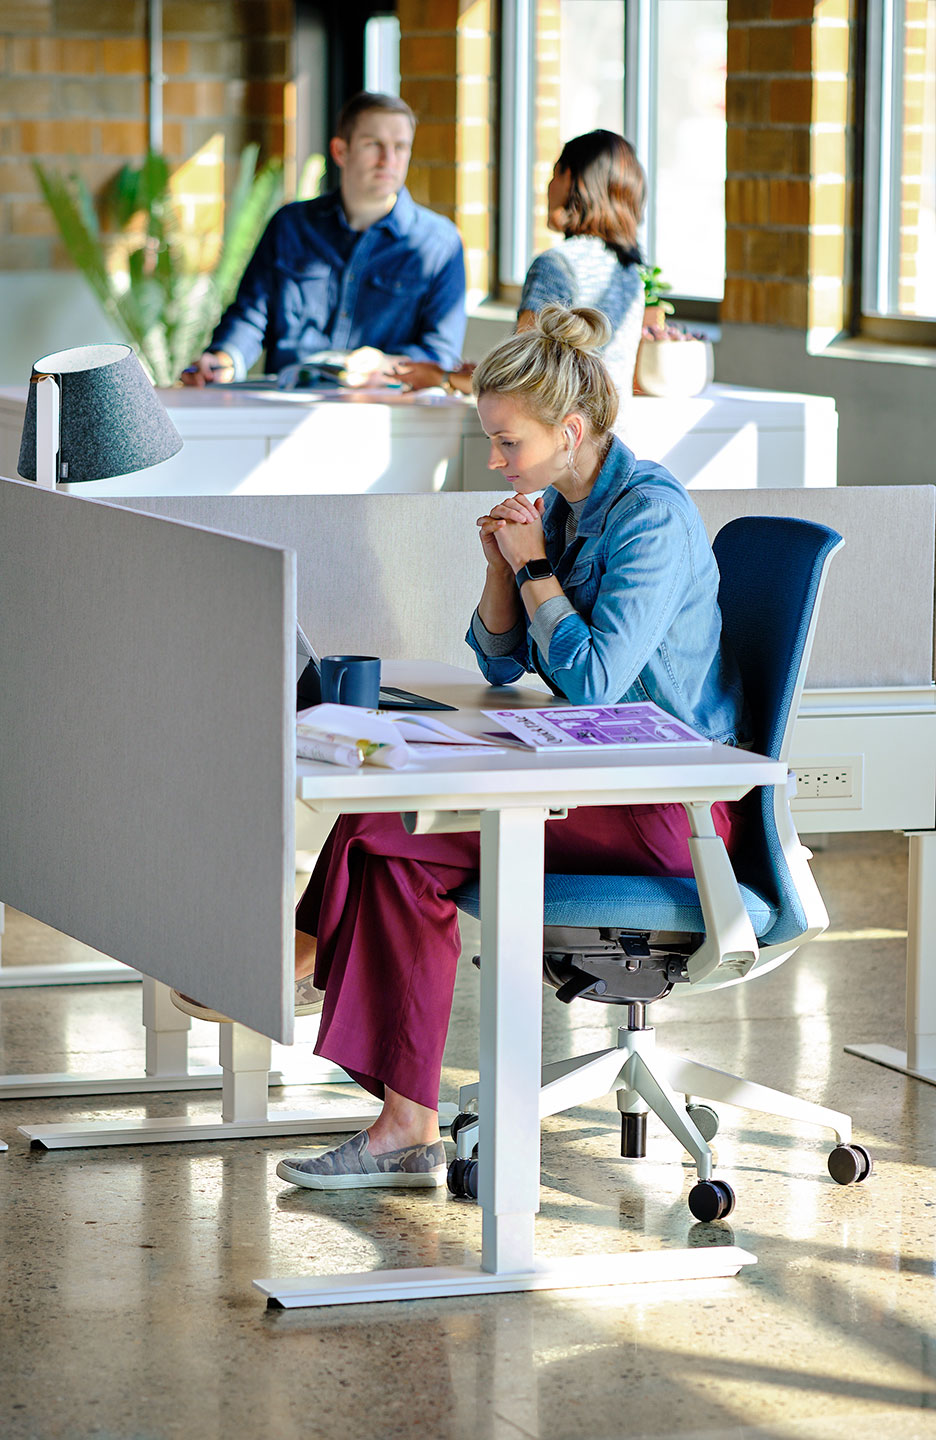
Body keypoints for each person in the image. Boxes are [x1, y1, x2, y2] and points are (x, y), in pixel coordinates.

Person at [267, 304, 751, 1191]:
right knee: (391, 837)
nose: (496, 461)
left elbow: (596, 679)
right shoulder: (563, 509)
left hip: (669, 807)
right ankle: (398, 1116)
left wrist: (533, 571)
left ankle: (292, 969)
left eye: (507, 443)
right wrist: (502, 568)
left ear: (569, 432)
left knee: (391, 828)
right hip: (595, 775)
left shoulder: (652, 520)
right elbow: (496, 662)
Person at [181, 92, 467, 390]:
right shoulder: (290, 225)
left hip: (385, 414)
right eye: (374, 145)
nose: (389, 160)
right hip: (285, 405)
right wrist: (223, 359)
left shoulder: (440, 244)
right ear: (341, 151)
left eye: (401, 147)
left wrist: (383, 364)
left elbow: (440, 354)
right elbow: (251, 316)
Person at [395, 129, 645, 410]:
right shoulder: (630, 274)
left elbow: (520, 379)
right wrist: (480, 372)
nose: (548, 187)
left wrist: (441, 377)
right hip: (610, 446)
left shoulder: (555, 266)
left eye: (554, 174)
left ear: (572, 180)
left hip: (556, 447)